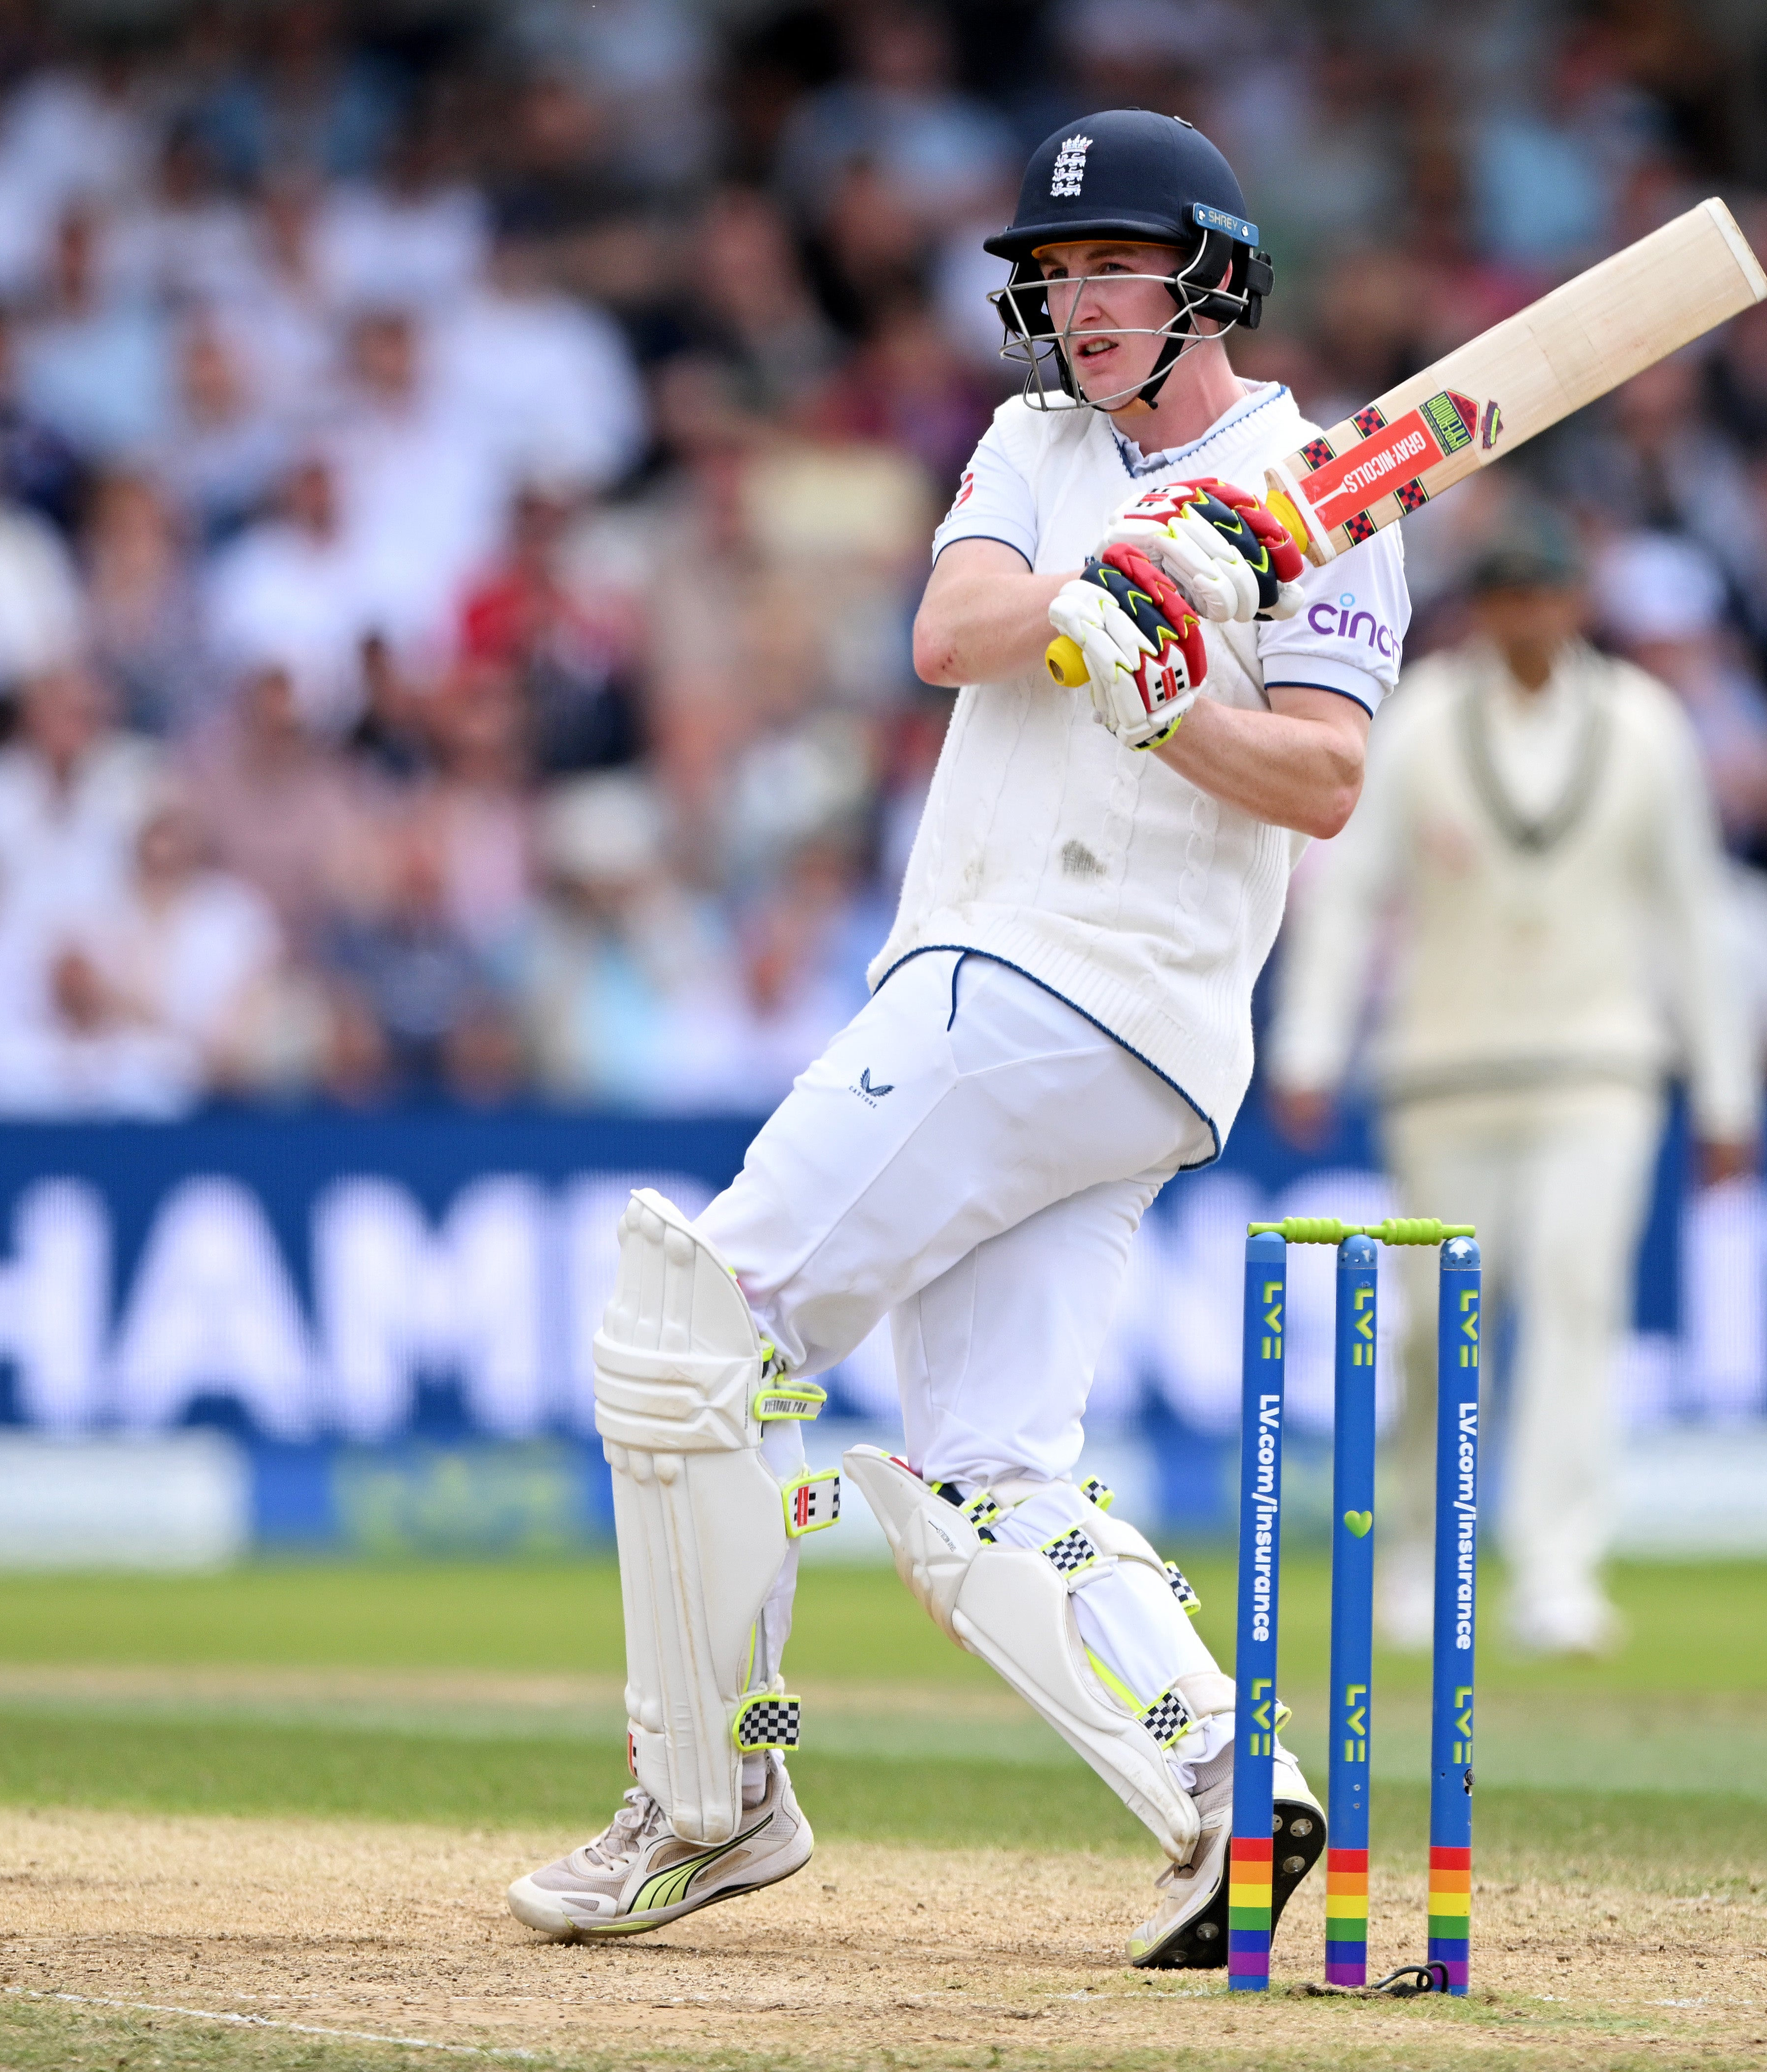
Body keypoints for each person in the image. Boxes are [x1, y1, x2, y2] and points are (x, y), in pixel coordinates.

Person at [504, 110, 1408, 1971]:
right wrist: (1121, 597)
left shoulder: (1325, 492)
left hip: (1067, 972)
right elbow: (949, 629)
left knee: (700, 1319)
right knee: (995, 1457)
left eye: (1114, 268)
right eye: (1056, 274)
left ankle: (711, 1798)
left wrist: (1177, 713)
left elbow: (1320, 779)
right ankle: (1226, 1791)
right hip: (1069, 1016)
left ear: (1211, 277)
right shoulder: (1038, 444)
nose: (1078, 306)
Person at [1267, 531, 1762, 1659]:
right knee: (1438, 1328)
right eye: (1505, 597)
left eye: (1541, 595)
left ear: (1573, 599)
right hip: (1444, 1067)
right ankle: (1413, 1551)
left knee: (1575, 1293)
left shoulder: (1642, 722)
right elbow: (1353, 896)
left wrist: (1728, 1095)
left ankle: (1556, 1567)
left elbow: (1690, 908)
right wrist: (1309, 1045)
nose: (1525, 620)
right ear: (1482, 608)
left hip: (1599, 1061)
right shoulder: (1425, 718)